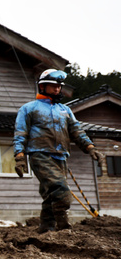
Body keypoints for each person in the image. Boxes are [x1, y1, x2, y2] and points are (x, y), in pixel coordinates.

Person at [13, 69, 105, 233]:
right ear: (42, 86)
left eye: (59, 87)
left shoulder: (65, 110)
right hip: (39, 155)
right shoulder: (28, 108)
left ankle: (46, 229)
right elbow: (21, 133)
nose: (57, 89)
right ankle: (63, 227)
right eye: (53, 86)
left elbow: (77, 131)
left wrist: (90, 148)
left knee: (51, 195)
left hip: (61, 156)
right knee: (61, 190)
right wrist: (19, 157)